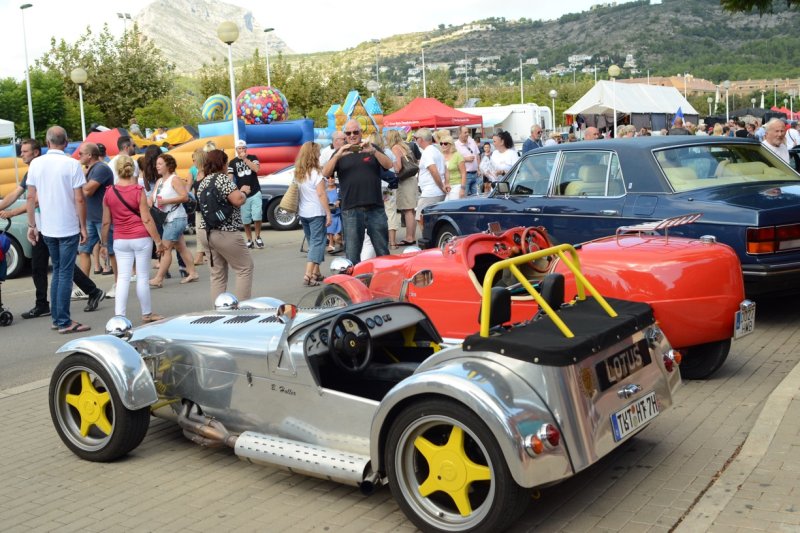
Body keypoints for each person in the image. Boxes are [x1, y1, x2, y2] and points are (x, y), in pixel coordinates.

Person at [25, 126, 92, 334]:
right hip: (68, 226)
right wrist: (83, 225)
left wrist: (31, 225)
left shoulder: (36, 163)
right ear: (65, 143)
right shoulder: (72, 164)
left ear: (47, 143)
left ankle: (57, 318)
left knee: (58, 273)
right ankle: (63, 320)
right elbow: (79, 198)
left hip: (48, 227)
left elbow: (30, 197)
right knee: (64, 272)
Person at [102, 155, 165, 323]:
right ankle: (146, 314)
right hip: (140, 238)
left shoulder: (109, 192)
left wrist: (103, 243)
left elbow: (106, 221)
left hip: (120, 239)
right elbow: (146, 219)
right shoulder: (138, 191)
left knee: (122, 278)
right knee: (143, 277)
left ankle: (119, 316)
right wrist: (158, 241)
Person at [322, 120, 392, 265]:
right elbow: (326, 172)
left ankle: (386, 282)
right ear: (345, 136)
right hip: (351, 209)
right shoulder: (339, 153)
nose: (352, 135)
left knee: (383, 251)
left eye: (355, 132)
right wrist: (338, 155)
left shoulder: (372, 148)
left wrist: (373, 152)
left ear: (361, 132)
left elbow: (389, 165)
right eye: (348, 133)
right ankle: (354, 284)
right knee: (352, 254)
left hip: (375, 207)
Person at [197, 149, 253, 303]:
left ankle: (219, 311)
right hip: (225, 231)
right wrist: (244, 192)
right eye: (226, 162)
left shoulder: (204, 182)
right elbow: (237, 200)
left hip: (205, 231)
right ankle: (243, 309)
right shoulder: (223, 179)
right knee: (244, 268)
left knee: (217, 274)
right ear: (222, 163)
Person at [149, 154, 198, 287]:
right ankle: (192, 272)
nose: (157, 166)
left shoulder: (174, 179)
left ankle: (159, 278)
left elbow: (184, 197)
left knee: (165, 248)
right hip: (168, 219)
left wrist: (165, 201)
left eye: (160, 164)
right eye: (157, 164)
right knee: (181, 247)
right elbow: (152, 199)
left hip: (176, 218)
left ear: (168, 166)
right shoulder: (159, 182)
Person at [77, 143, 116, 293]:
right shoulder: (89, 170)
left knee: (111, 251)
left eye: (81, 153)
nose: (79, 156)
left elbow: (87, 191)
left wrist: (76, 186)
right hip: (91, 218)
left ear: (90, 155)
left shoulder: (101, 168)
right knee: (84, 250)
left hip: (103, 217)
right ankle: (84, 287)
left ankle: (118, 285)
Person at [294, 142, 332, 285]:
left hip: (304, 212)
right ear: (313, 154)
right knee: (318, 243)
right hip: (316, 211)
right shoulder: (316, 173)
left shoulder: (299, 172)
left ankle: (316, 272)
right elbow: (321, 194)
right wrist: (328, 213)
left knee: (313, 242)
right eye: (318, 152)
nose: (320, 154)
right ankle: (308, 275)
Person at [227, 139, 263, 249]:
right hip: (243, 194)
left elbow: (256, 169)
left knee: (257, 215)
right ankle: (249, 239)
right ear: (236, 149)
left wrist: (245, 159)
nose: (241, 150)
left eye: (243, 148)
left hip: (255, 191)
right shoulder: (232, 162)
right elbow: (230, 178)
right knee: (246, 219)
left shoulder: (253, 158)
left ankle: (258, 236)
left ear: (246, 149)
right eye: (239, 148)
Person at [386, 129, 418, 245]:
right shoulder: (405, 146)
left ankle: (409, 237)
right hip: (412, 179)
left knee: (408, 210)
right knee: (411, 210)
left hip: (404, 181)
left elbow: (398, 167)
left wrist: (390, 165)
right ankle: (412, 236)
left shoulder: (395, 148)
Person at [413, 128, 447, 230]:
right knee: (432, 220)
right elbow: (445, 169)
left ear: (421, 139)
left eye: (416, 138)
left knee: (421, 217)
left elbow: (433, 170)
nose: (415, 140)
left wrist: (441, 186)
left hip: (431, 192)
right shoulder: (436, 150)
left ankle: (428, 242)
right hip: (436, 191)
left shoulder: (428, 152)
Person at [190, 148, 209, 265]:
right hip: (199, 207)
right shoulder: (197, 172)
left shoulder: (207, 173)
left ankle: (201, 255)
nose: (193, 162)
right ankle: (202, 255)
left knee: (204, 232)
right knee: (199, 231)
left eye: (194, 159)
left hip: (206, 208)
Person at [455, 126, 481, 196]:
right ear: (459, 134)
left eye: (468, 132)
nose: (467, 134)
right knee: (464, 199)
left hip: (476, 175)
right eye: (465, 132)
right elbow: (454, 161)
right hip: (465, 176)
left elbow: (477, 155)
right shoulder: (456, 145)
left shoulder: (472, 141)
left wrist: (479, 168)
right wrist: (465, 159)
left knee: (478, 198)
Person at [440, 133, 466, 200]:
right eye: (441, 143)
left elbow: (463, 173)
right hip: (443, 187)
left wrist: (462, 189)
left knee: (453, 207)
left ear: (451, 144)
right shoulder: (440, 155)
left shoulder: (457, 155)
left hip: (456, 185)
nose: (443, 145)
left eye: (445, 143)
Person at [325, 176, 343, 252]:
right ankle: (331, 244)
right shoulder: (323, 189)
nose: (330, 179)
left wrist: (339, 201)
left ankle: (339, 242)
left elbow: (342, 197)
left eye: (332, 177)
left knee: (337, 238)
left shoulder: (339, 188)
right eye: (328, 178)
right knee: (329, 219)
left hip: (339, 213)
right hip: (328, 213)